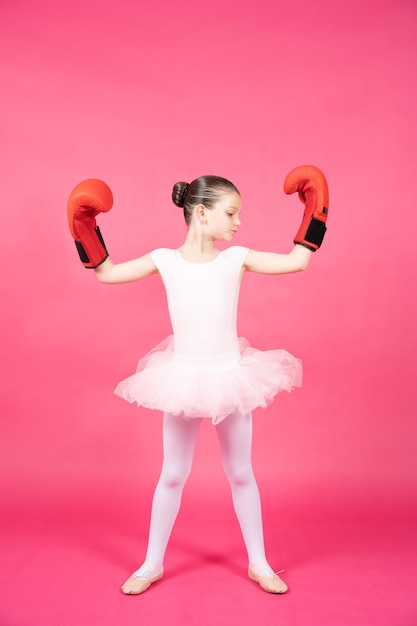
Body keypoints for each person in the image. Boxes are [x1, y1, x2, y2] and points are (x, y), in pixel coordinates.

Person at [67, 166, 328, 596]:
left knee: (241, 472)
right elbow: (107, 273)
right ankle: (151, 563)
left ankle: (259, 563)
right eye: (232, 213)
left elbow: (297, 262)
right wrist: (83, 227)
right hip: (183, 377)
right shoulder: (164, 260)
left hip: (229, 376)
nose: (239, 221)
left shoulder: (236, 258)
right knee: (172, 473)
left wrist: (316, 211)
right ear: (203, 213)